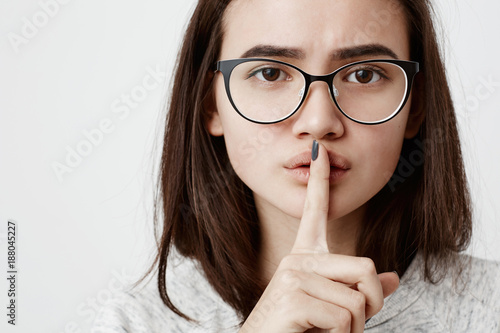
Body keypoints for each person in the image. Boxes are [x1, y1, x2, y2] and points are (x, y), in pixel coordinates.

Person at [92, 0, 500, 332]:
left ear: (416, 106)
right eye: (270, 73)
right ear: (209, 103)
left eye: (364, 74)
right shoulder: (134, 323)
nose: (320, 121)